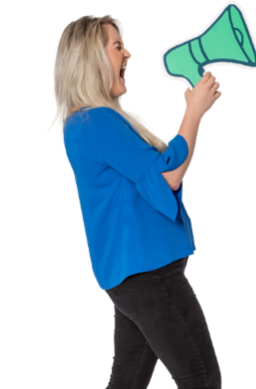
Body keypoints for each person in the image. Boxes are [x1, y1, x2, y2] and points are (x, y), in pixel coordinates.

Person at [54, 15, 223, 389]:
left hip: (134, 276)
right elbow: (166, 177)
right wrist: (193, 112)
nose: (127, 52)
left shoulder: (85, 124)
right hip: (148, 273)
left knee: (128, 380)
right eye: (117, 47)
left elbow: (151, 179)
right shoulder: (95, 122)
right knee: (202, 378)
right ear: (91, 58)